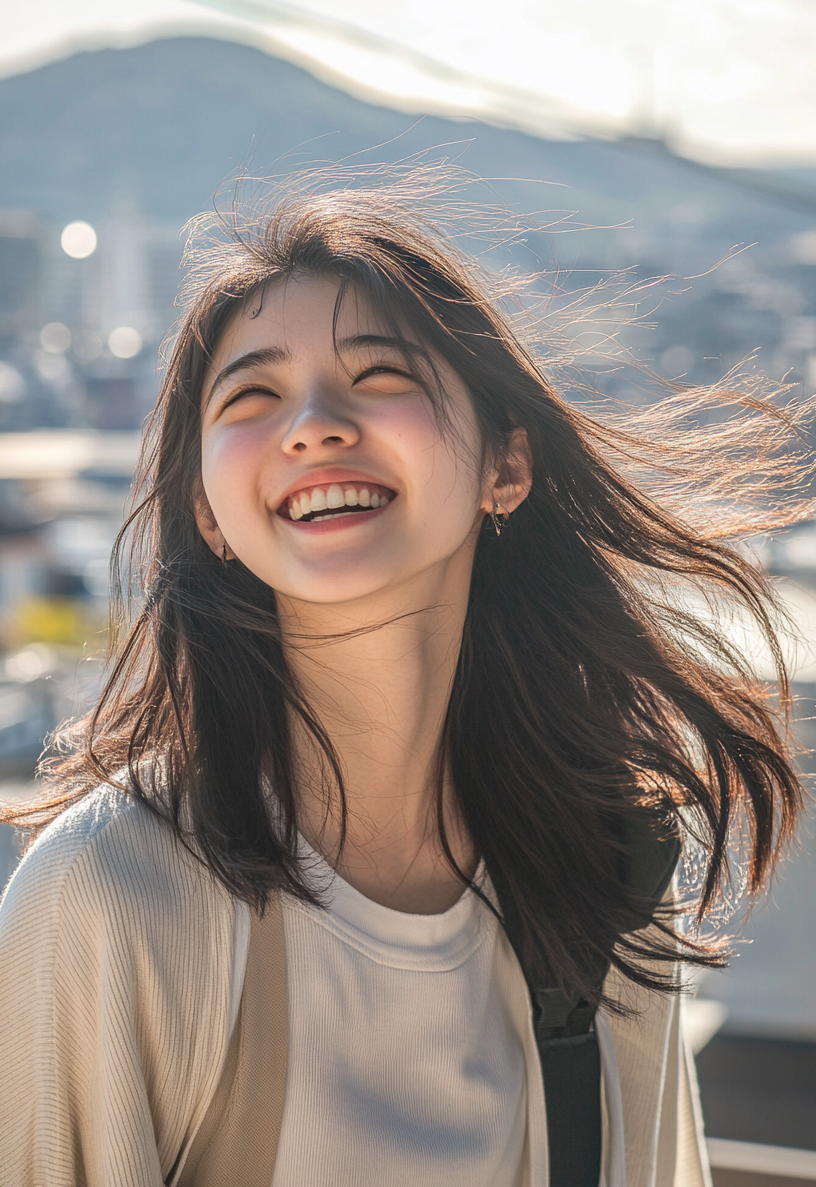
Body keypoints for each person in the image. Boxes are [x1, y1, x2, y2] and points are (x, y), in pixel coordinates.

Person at [0, 169, 805, 1187]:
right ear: (209, 512)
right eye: (252, 393)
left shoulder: (608, 873)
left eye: (379, 373)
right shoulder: (115, 892)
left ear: (506, 467)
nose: (312, 422)